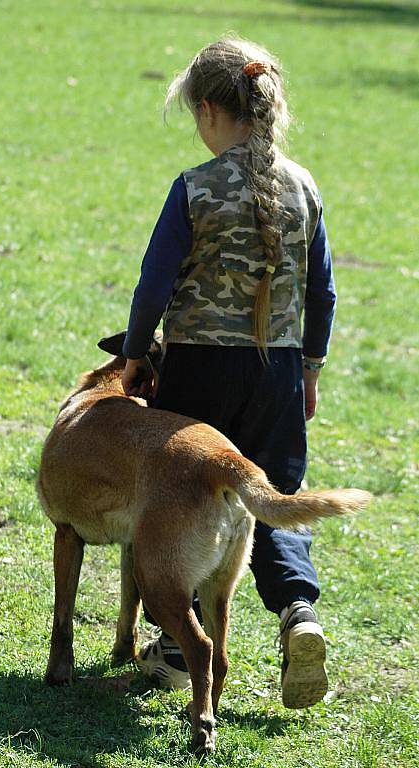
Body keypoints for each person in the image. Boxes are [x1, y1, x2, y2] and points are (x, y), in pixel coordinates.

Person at [120, 37, 336, 709]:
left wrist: (134, 357)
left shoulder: (194, 187)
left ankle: (175, 648)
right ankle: (298, 612)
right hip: (275, 377)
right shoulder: (303, 186)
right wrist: (308, 368)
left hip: (196, 377)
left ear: (211, 111)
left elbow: (153, 287)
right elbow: (322, 293)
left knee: (182, 501)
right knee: (270, 503)